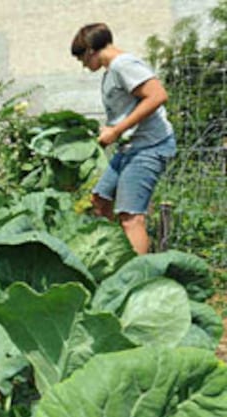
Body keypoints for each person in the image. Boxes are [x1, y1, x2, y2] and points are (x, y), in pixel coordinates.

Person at [71, 23, 176, 254]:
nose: (84, 66)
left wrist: (116, 131)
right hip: (130, 147)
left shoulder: (123, 65)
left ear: (90, 50)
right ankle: (115, 255)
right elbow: (127, 110)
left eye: (82, 60)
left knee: (130, 216)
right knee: (100, 201)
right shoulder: (111, 71)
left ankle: (135, 279)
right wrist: (107, 130)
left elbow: (157, 95)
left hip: (150, 146)